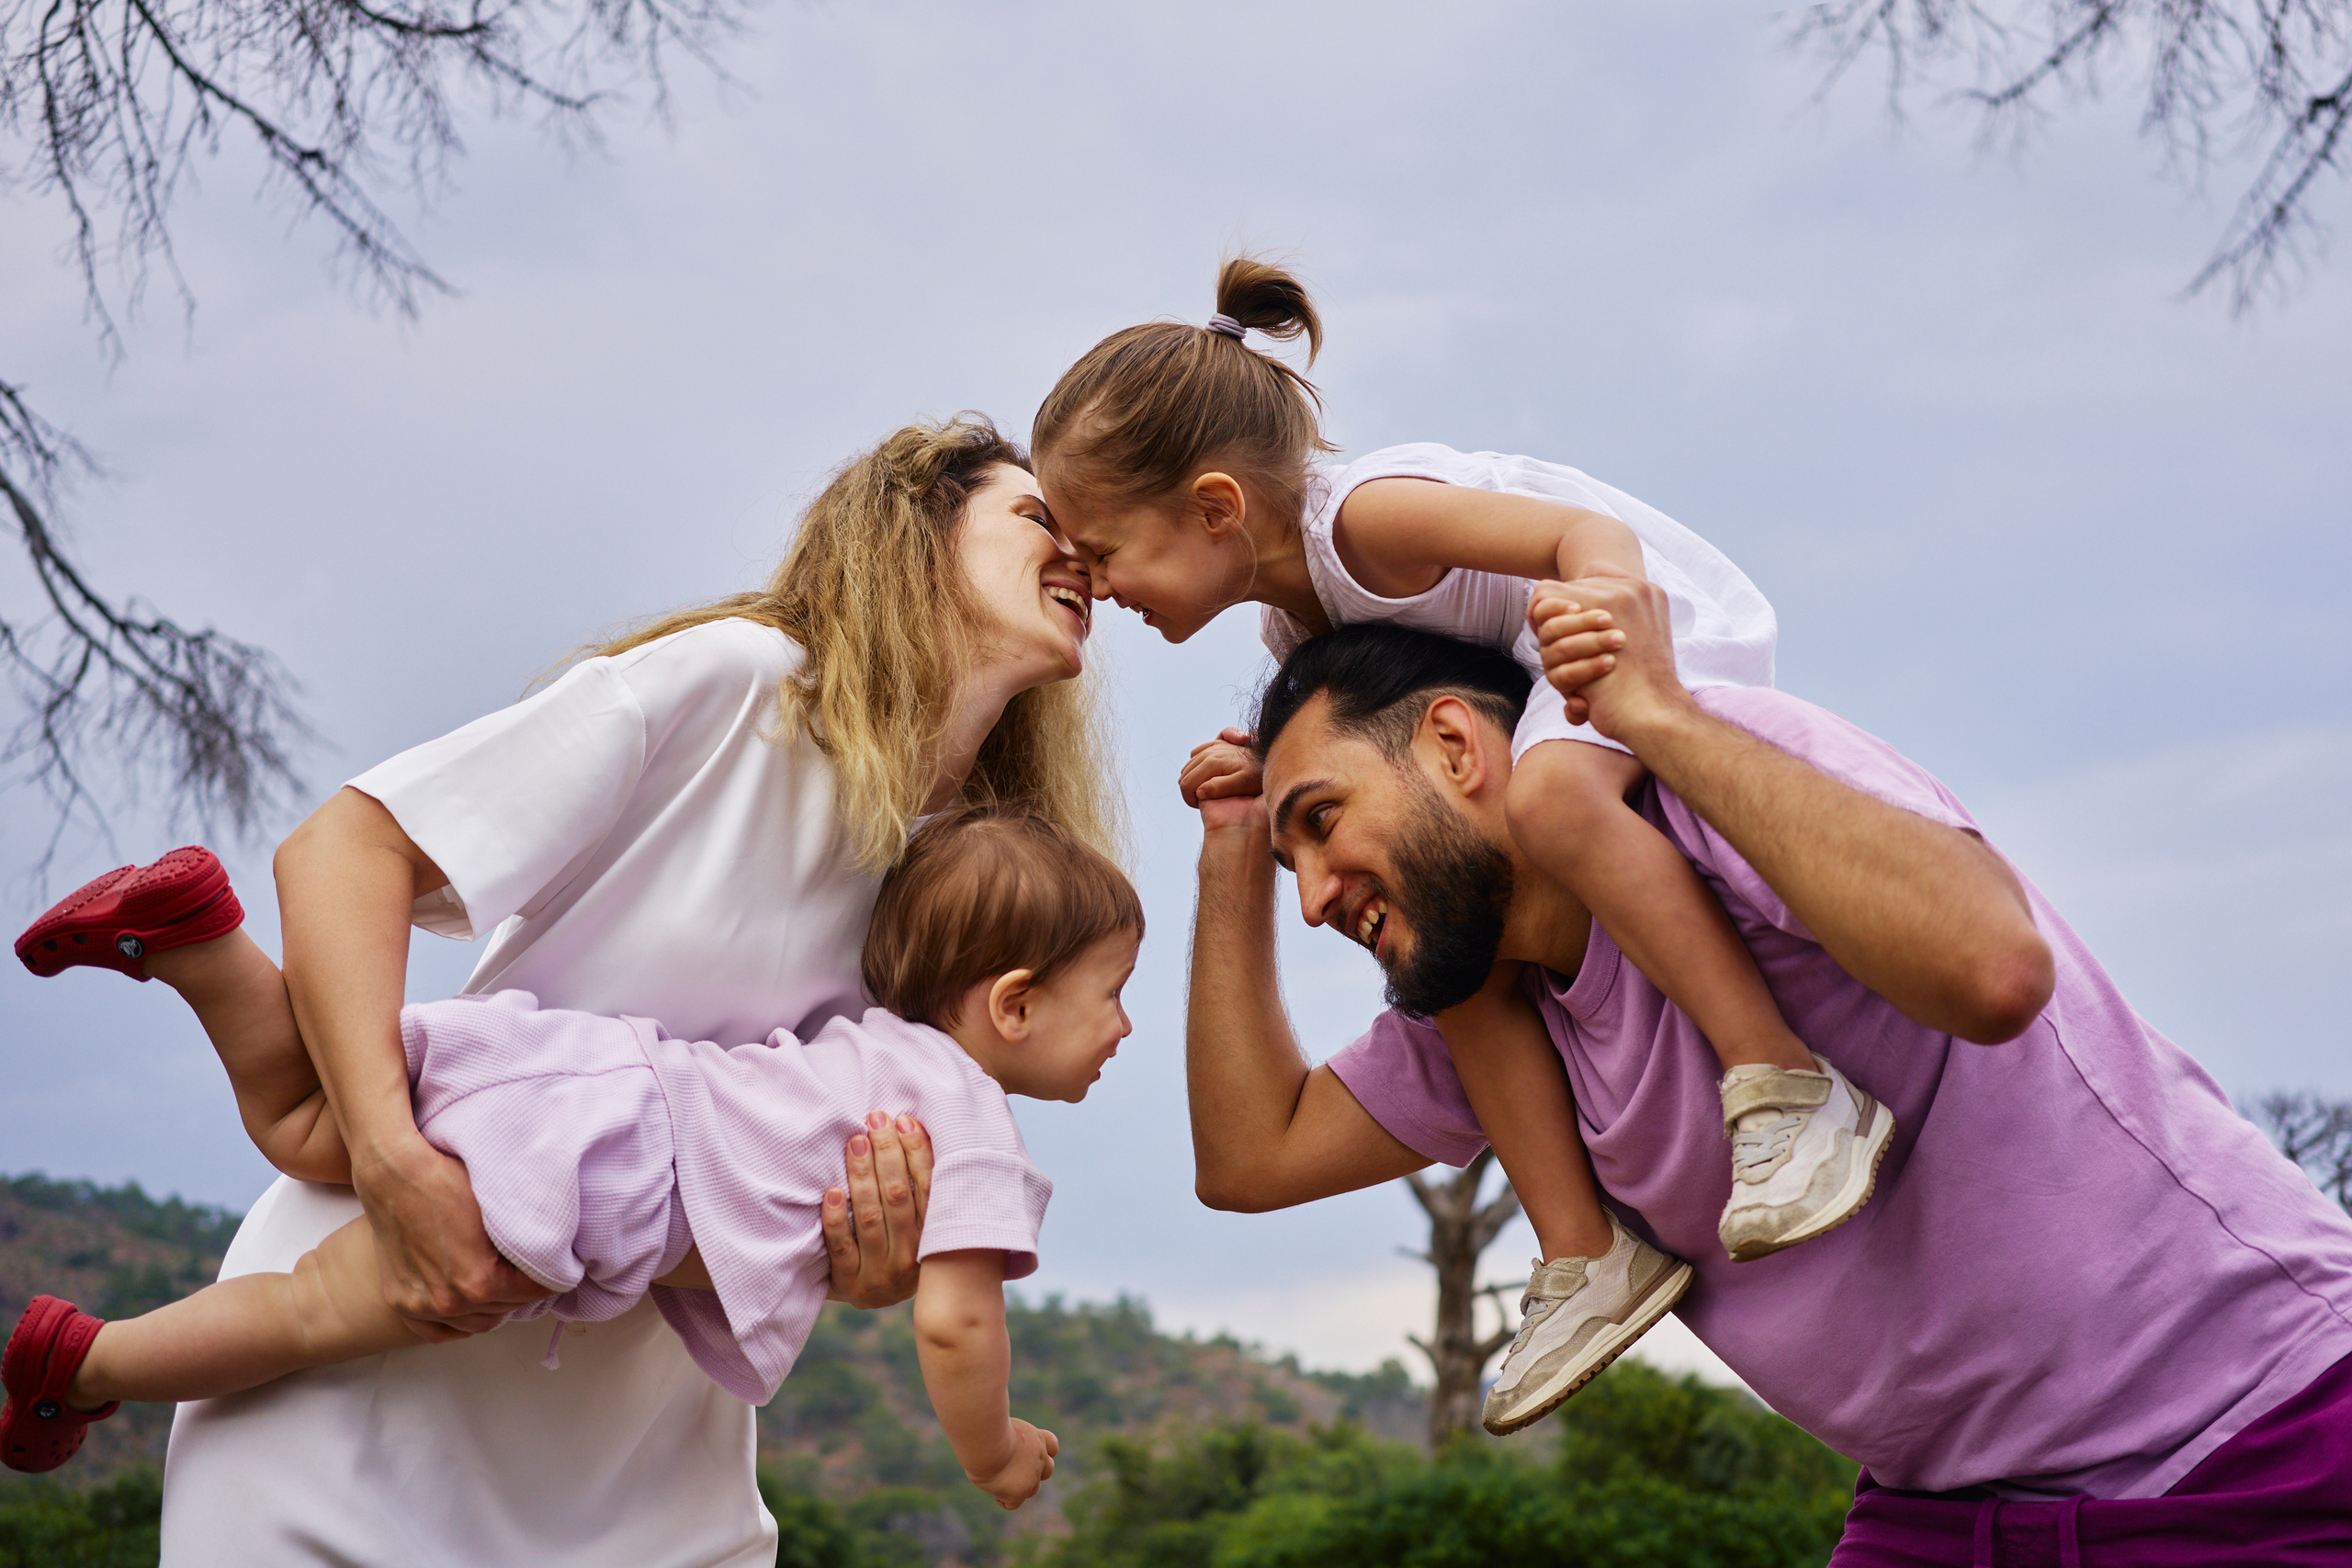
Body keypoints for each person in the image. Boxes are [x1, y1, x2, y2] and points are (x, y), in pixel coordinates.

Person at [26, 416, 1113, 1566]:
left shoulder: (970, 883)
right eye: (1036, 513)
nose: (1080, 553)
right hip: (361, 1375)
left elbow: (761, 1172)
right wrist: (394, 1165)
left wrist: (865, 1262)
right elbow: (343, 850)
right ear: (916, 532)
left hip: (647, 1469)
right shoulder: (745, 684)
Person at [1182, 598, 2352, 1562]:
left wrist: (1658, 713)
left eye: (1322, 823)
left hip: (2268, 1434)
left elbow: (1997, 970)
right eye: (1294, 859)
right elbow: (1251, 1155)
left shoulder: (1703, 787)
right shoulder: (1493, 1031)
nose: (1318, 893)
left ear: (1455, 745)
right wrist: (1233, 851)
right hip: (1948, 1514)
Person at [1031, 255, 1877, 1432]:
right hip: (1532, 676)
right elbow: (1363, 746)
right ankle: (1585, 1255)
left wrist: (1613, 633)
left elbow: (1585, 534)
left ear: (1216, 508)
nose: (1091, 579)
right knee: (1449, 954)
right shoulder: (1297, 620)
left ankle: (1782, 1082)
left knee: (1555, 809)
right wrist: (1260, 789)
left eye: (1101, 548)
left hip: (1644, 617)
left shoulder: (1368, 517)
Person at [6, 806, 1138, 1508]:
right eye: (1113, 997)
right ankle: (83, 1365)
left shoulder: (862, 1040)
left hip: (574, 1068)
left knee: (307, 1120)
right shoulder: (972, 1119)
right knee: (310, 1306)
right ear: (1015, 1004)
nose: (1125, 1031)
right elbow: (955, 1320)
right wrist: (991, 1452)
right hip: (608, 1173)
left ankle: (203, 941)